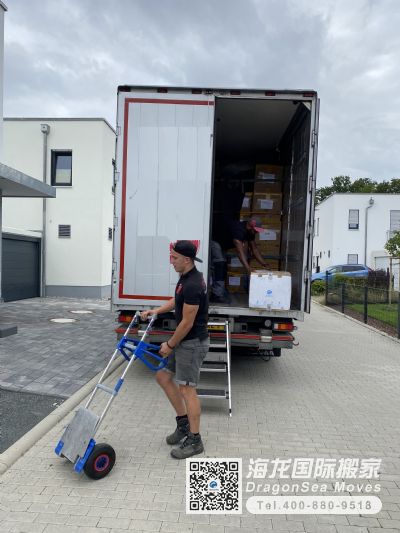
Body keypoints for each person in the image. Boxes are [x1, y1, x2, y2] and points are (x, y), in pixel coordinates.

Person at [141, 240, 209, 459]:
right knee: (162, 376)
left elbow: (187, 323)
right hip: (184, 342)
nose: (171, 261)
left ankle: (195, 440)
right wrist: (156, 311)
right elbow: (176, 300)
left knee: (187, 390)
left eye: (174, 257)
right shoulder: (185, 278)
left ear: (187, 260)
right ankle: (183, 424)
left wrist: (169, 345)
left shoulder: (193, 284)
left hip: (192, 343)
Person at [210, 216, 269, 303]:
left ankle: (220, 291)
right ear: (251, 225)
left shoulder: (250, 232)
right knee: (219, 265)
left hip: (222, 244)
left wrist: (264, 263)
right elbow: (240, 253)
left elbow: (254, 249)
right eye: (256, 230)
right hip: (215, 241)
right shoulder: (239, 230)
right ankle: (216, 295)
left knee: (223, 266)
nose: (257, 232)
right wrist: (248, 268)